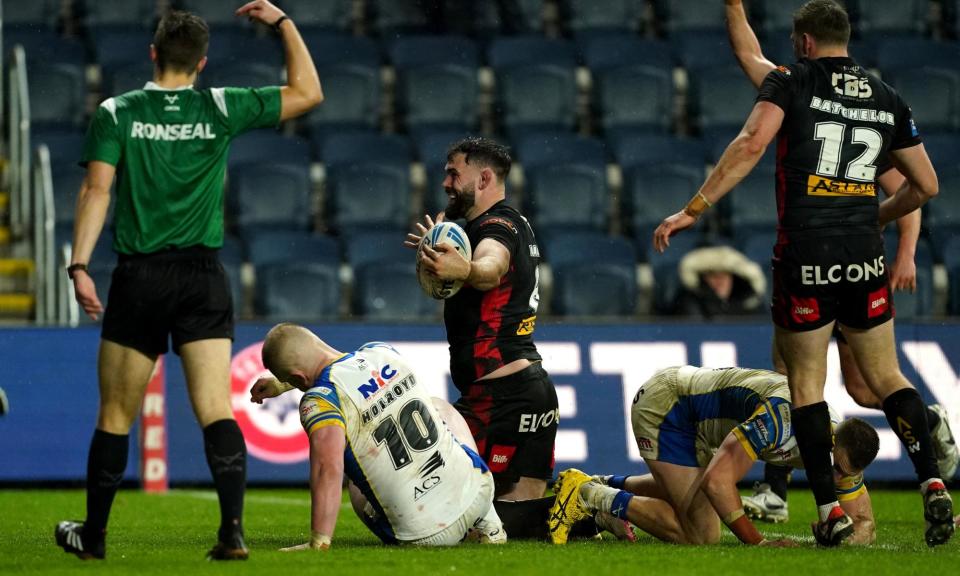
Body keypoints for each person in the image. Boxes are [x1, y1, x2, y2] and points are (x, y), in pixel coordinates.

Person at [653, 0, 953, 547]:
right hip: (864, 257)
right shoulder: (887, 97)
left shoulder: (792, 82)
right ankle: (932, 478)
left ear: (806, 41)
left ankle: (828, 510)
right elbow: (927, 186)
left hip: (807, 255)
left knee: (806, 388)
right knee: (886, 380)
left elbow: (750, 142)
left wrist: (692, 209)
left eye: (795, 40)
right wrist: (873, 216)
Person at [54, 1, 323, 561]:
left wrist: (79, 265)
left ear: (154, 54)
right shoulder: (220, 106)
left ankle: (95, 536)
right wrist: (283, 24)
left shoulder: (117, 112)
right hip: (203, 277)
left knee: (114, 416)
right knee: (215, 409)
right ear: (202, 62)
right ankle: (233, 532)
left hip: (140, 277)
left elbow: (95, 192)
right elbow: (308, 92)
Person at [404, 138, 563, 540]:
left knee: (439, 513)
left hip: (499, 398)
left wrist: (466, 268)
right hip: (530, 389)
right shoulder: (506, 223)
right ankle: (597, 499)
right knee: (524, 518)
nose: (445, 182)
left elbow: (491, 267)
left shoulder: (497, 227)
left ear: (485, 177)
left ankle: (594, 504)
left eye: (454, 173)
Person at [550, 366, 879, 547]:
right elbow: (719, 482)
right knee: (701, 534)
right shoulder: (782, 421)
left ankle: (603, 483)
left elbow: (865, 524)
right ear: (830, 440)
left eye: (845, 473)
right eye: (835, 468)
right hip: (669, 408)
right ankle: (589, 495)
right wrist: (759, 543)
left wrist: (845, 540)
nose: (836, 479)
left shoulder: (841, 448)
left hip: (701, 421)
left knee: (687, 495)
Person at [248, 324, 505, 548]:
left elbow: (328, 467)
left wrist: (319, 539)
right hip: (480, 494)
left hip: (425, 534)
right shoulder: (381, 350)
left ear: (296, 377)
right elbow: (342, 368)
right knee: (439, 407)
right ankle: (490, 523)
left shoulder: (320, 400)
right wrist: (285, 382)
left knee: (355, 480)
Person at [675, 244, 766, 319]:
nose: (719, 281)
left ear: (734, 279)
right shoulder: (688, 305)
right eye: (712, 275)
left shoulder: (750, 305)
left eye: (724, 275)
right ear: (702, 279)